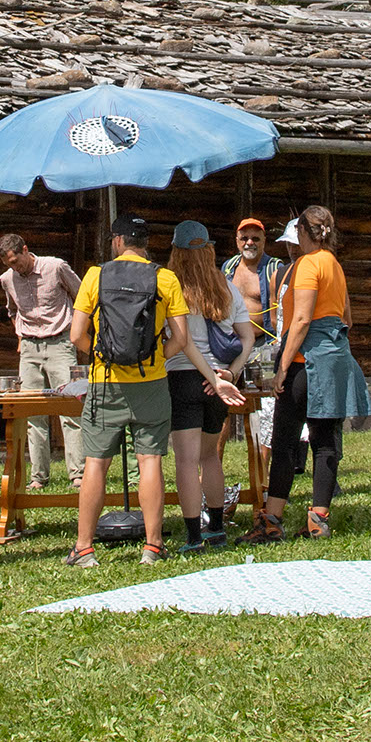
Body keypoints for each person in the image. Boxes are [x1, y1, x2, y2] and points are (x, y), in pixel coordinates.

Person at [70, 218, 235, 569]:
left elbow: (76, 335)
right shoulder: (165, 278)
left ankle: (84, 548)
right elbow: (181, 338)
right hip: (153, 383)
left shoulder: (95, 276)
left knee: (95, 463)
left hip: (105, 382)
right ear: (145, 243)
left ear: (117, 241)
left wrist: (101, 357)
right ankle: (153, 545)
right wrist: (155, 358)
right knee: (150, 462)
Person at [249, 206, 371, 543]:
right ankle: (319, 518)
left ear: (303, 231)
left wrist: (282, 368)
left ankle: (272, 519)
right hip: (335, 357)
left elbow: (301, 320)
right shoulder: (334, 265)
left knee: (285, 440)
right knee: (325, 440)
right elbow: (347, 317)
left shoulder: (306, 265)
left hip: (306, 361)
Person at [165, 221, 242, 551]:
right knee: (210, 457)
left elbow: (181, 342)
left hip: (183, 378)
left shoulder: (171, 286)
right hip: (220, 380)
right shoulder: (227, 286)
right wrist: (229, 375)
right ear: (209, 249)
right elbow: (247, 336)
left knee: (185, 460)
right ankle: (218, 528)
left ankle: (193, 536)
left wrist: (211, 377)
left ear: (176, 251)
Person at [0, 232, 82, 487]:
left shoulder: (55, 267)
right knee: (33, 412)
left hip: (60, 342)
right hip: (30, 347)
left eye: (15, 261)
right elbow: (12, 310)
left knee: (70, 407)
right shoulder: (7, 279)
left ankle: (78, 473)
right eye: (8, 264)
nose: (14, 267)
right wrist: (21, 337)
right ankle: (38, 477)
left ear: (25, 250)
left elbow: (81, 297)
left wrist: (76, 333)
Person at [227, 218, 289, 390]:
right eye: (244, 238)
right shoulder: (229, 267)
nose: (249, 243)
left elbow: (284, 311)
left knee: (265, 395)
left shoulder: (274, 268)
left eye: (255, 238)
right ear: (237, 241)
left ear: (264, 241)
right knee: (234, 396)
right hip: (233, 345)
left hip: (264, 347)